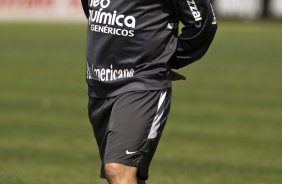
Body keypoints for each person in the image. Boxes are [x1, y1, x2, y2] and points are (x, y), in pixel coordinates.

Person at [81, 0, 217, 183]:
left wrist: (166, 60)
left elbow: (203, 25)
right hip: (99, 82)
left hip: (142, 83)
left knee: (117, 169)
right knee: (130, 174)